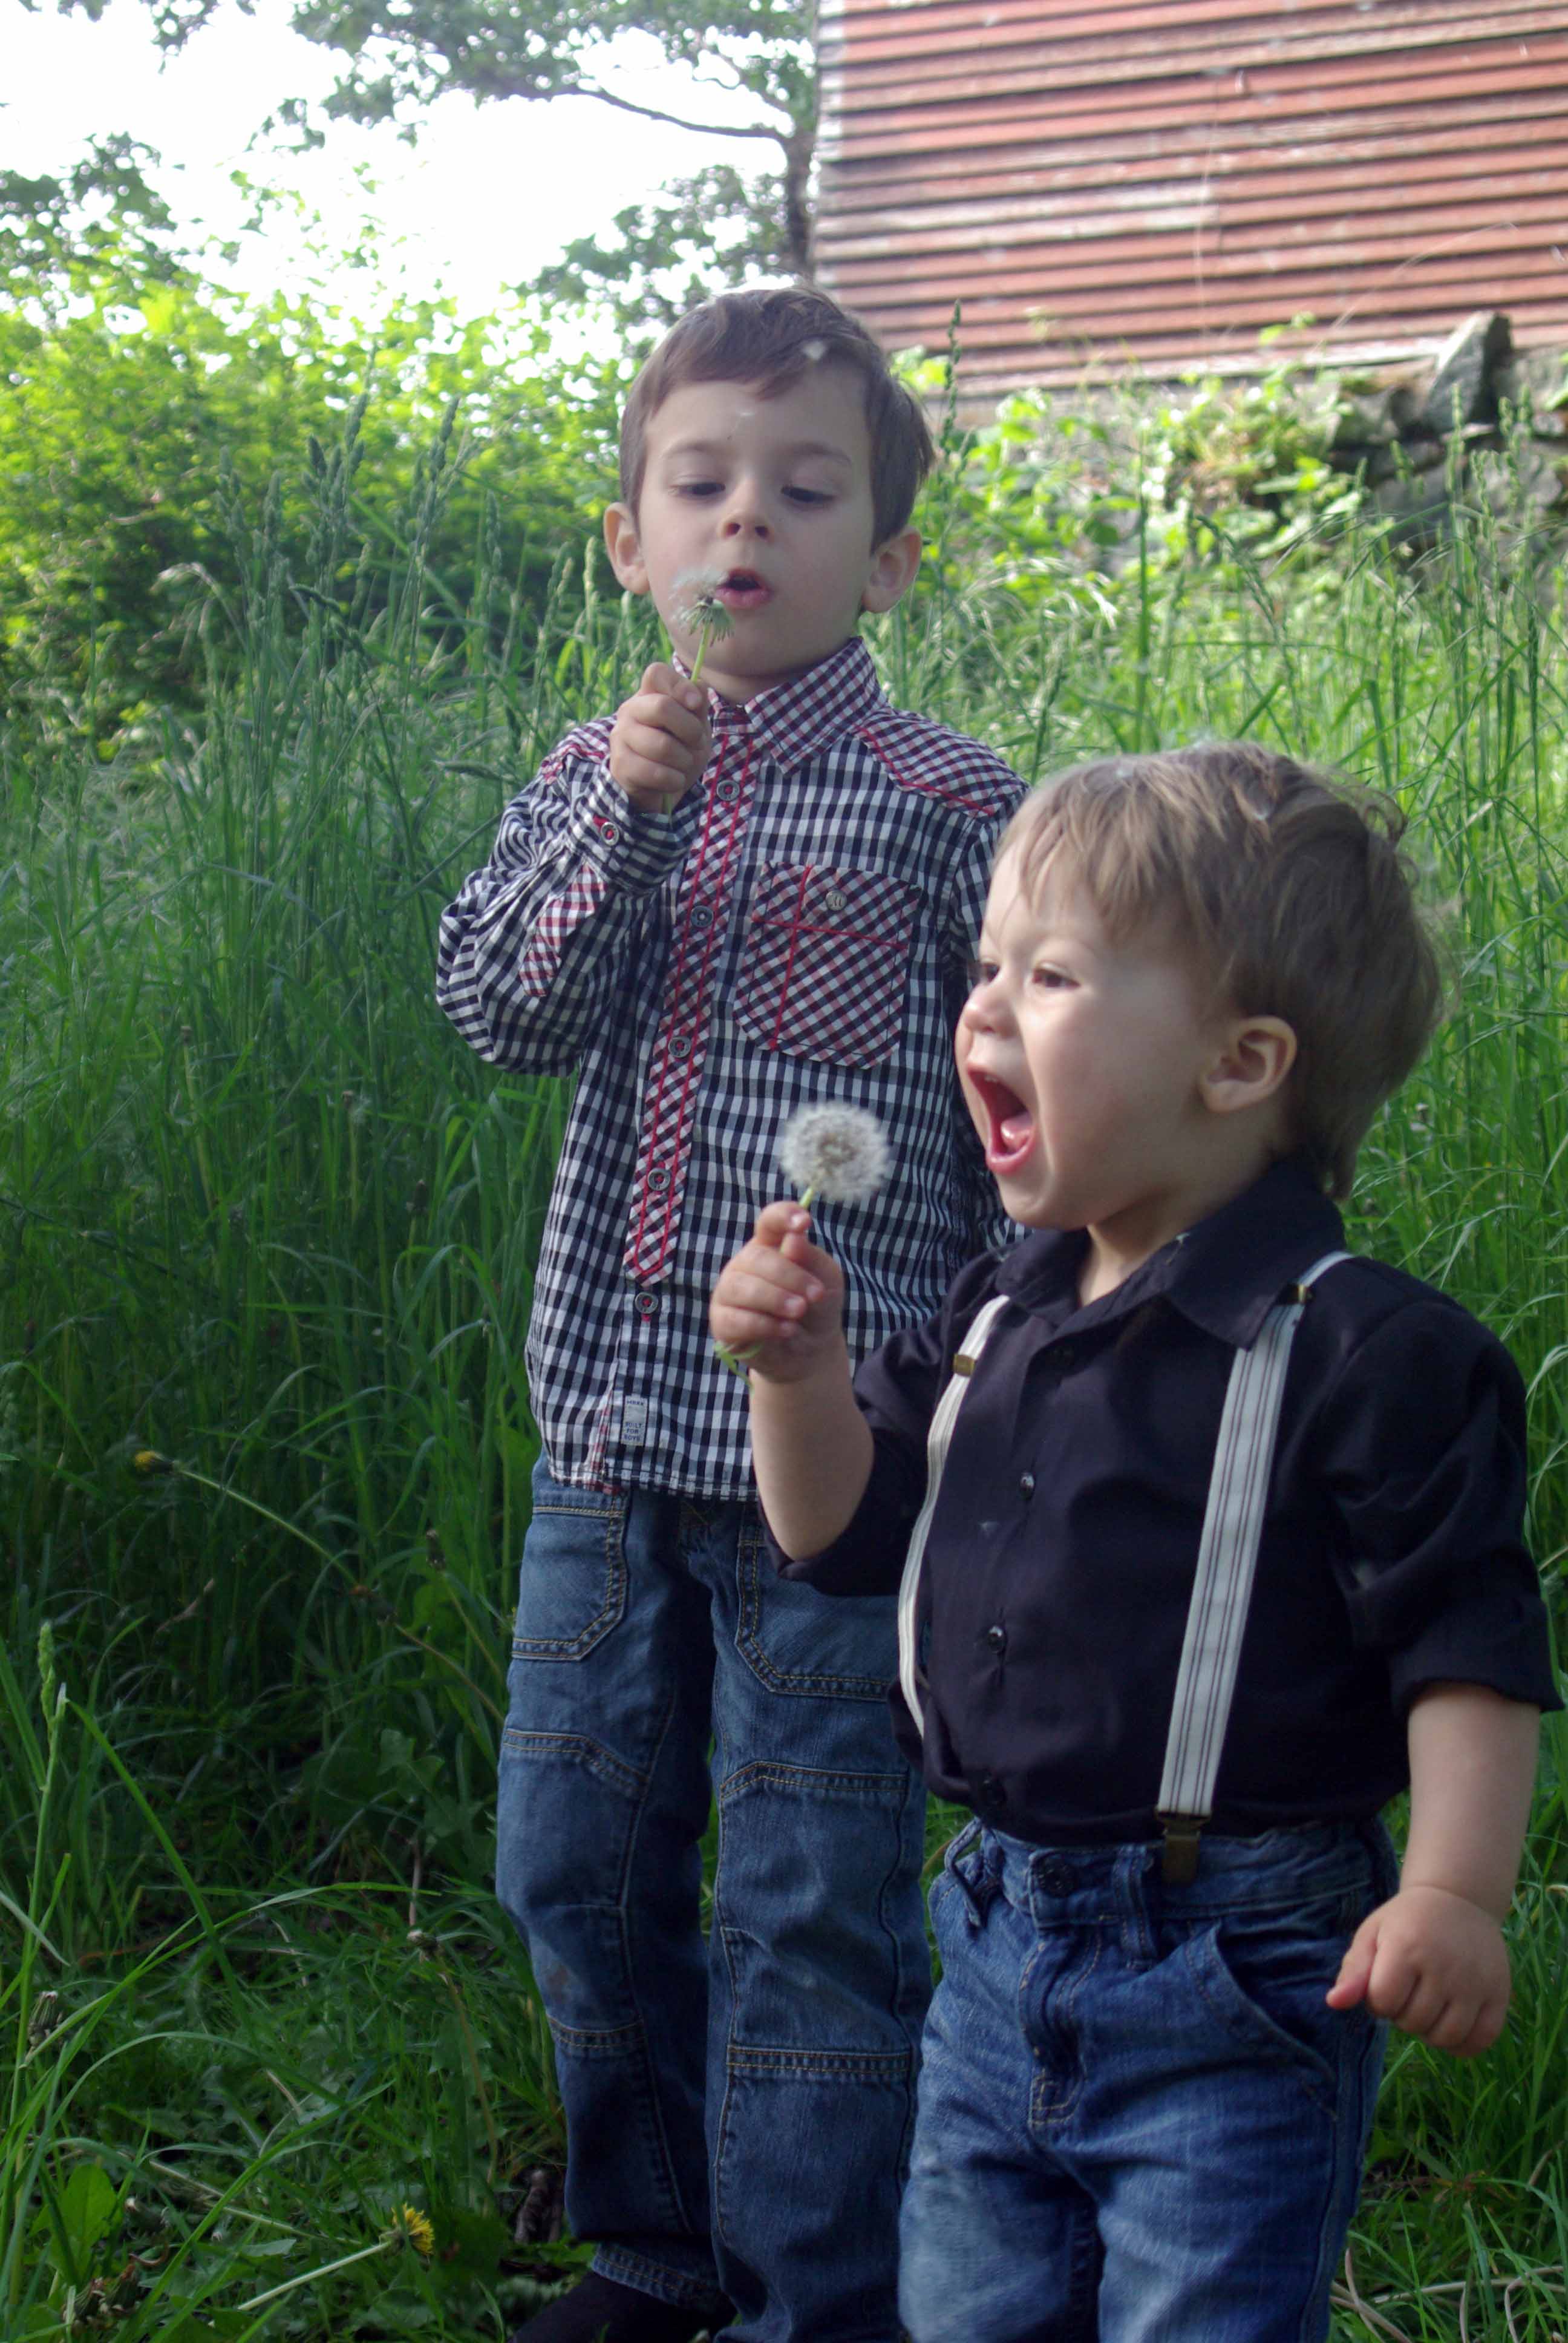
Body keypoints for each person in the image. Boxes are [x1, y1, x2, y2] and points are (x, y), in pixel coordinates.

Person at [711, 742, 1560, 2343]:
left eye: (1047, 977)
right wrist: (798, 1380)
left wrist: (1454, 1890)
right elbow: (836, 1531)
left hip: (1234, 1963)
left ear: (1238, 1066)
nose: (982, 1010)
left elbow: (1464, 1643)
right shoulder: (995, 1315)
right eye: (984, 968)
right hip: (993, 1932)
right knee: (969, 2309)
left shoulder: (1365, 1354)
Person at [436, 285, 1026, 2343]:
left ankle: (812, 2296)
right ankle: (656, 2239)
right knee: (570, 1864)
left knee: (812, 1900)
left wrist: (1006, 1360)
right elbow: (502, 1011)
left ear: (889, 557)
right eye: (699, 485)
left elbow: (1022, 1104)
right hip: (610, 1435)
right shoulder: (583, 779)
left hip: (838, 1466)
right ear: (633, 542)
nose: (745, 522)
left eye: (804, 488)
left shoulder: (958, 803)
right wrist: (625, 807)